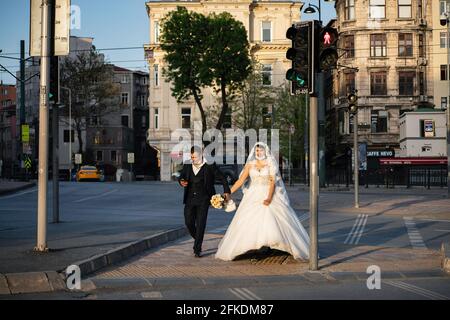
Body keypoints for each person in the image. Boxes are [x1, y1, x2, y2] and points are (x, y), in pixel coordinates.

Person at [215, 142, 310, 261]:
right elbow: (240, 181)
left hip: (268, 194)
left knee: (270, 218)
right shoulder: (250, 165)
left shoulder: (270, 164)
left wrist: (269, 197)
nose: (258, 153)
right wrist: (227, 193)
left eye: (261, 151)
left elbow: (272, 182)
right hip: (252, 194)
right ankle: (255, 245)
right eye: (257, 151)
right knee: (251, 220)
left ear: (265, 151)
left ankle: (268, 245)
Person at [179, 145, 231, 258]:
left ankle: (197, 249)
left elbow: (222, 177)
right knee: (189, 222)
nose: (194, 159)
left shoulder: (209, 165)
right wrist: (181, 181)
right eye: (192, 157)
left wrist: (226, 191)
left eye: (196, 157)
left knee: (201, 223)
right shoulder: (188, 164)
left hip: (204, 198)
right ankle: (198, 237)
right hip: (189, 198)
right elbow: (182, 176)